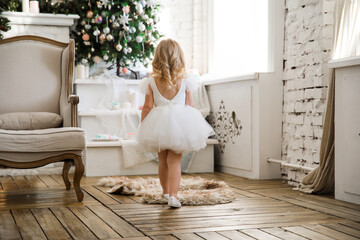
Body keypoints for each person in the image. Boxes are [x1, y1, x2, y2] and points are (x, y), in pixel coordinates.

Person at [137, 39, 214, 208]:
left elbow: (148, 107)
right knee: (174, 161)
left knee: (162, 160)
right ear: (179, 57)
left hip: (158, 124)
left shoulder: (151, 81)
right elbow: (190, 105)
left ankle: (165, 193)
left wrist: (144, 125)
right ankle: (173, 195)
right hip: (180, 124)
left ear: (157, 58)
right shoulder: (185, 80)